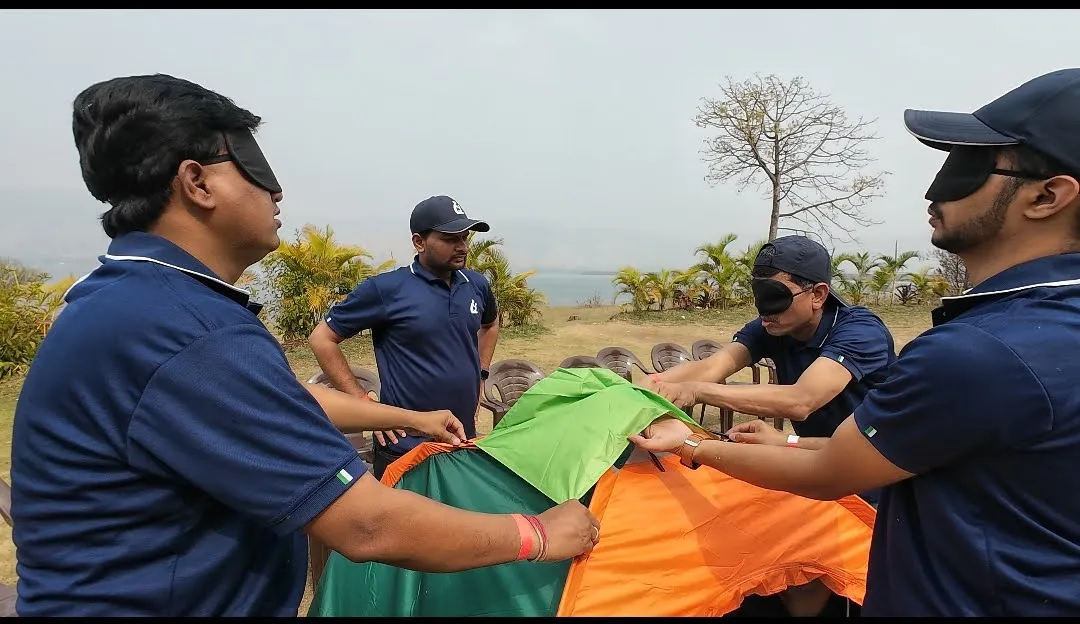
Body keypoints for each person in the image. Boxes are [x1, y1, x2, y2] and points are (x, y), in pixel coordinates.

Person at [9, 74, 598, 617]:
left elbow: (272, 400)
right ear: (197, 182)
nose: (277, 191)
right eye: (255, 168)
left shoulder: (135, 299)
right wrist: (537, 534)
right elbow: (368, 525)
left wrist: (407, 415)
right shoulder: (188, 329)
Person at [629, 68, 1080, 616]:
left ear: (1047, 196)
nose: (934, 190)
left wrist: (690, 443)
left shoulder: (978, 350)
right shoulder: (1049, 328)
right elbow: (928, 450)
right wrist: (650, 389)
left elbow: (819, 441)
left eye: (969, 165)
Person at [647, 235, 896, 507]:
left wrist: (696, 390)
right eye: (759, 294)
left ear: (817, 295)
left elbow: (801, 400)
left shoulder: (860, 331)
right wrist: (648, 385)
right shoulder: (774, 325)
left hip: (879, 482)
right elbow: (713, 366)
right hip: (821, 462)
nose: (765, 311)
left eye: (776, 296)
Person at [308, 195, 500, 480]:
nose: (463, 246)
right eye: (450, 239)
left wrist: (482, 375)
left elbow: (491, 323)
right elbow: (322, 339)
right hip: (405, 446)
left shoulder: (476, 285)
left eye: (464, 237)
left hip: (460, 438)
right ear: (419, 242)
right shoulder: (386, 289)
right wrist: (364, 403)